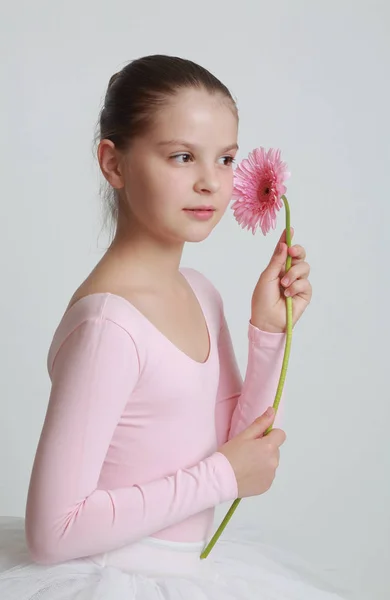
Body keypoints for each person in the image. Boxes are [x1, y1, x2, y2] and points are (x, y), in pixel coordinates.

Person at [0, 54, 345, 599]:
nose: (211, 182)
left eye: (226, 158)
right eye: (182, 156)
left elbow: (238, 448)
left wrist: (269, 332)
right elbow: (53, 530)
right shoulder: (109, 326)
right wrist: (222, 478)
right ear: (113, 164)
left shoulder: (201, 293)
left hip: (185, 574)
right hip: (113, 580)